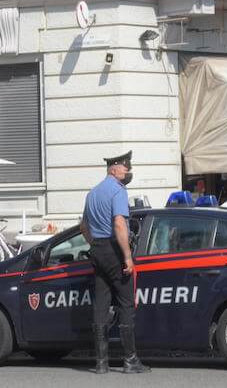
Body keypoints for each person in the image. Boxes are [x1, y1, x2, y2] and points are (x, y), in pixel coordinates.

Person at [80, 150, 150, 375]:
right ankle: (130, 360)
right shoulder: (118, 191)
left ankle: (101, 363)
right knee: (126, 303)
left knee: (101, 304)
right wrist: (127, 256)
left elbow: (83, 226)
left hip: (98, 250)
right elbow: (120, 224)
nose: (128, 172)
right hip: (114, 250)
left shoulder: (92, 193)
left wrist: (94, 244)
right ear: (113, 169)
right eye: (125, 168)